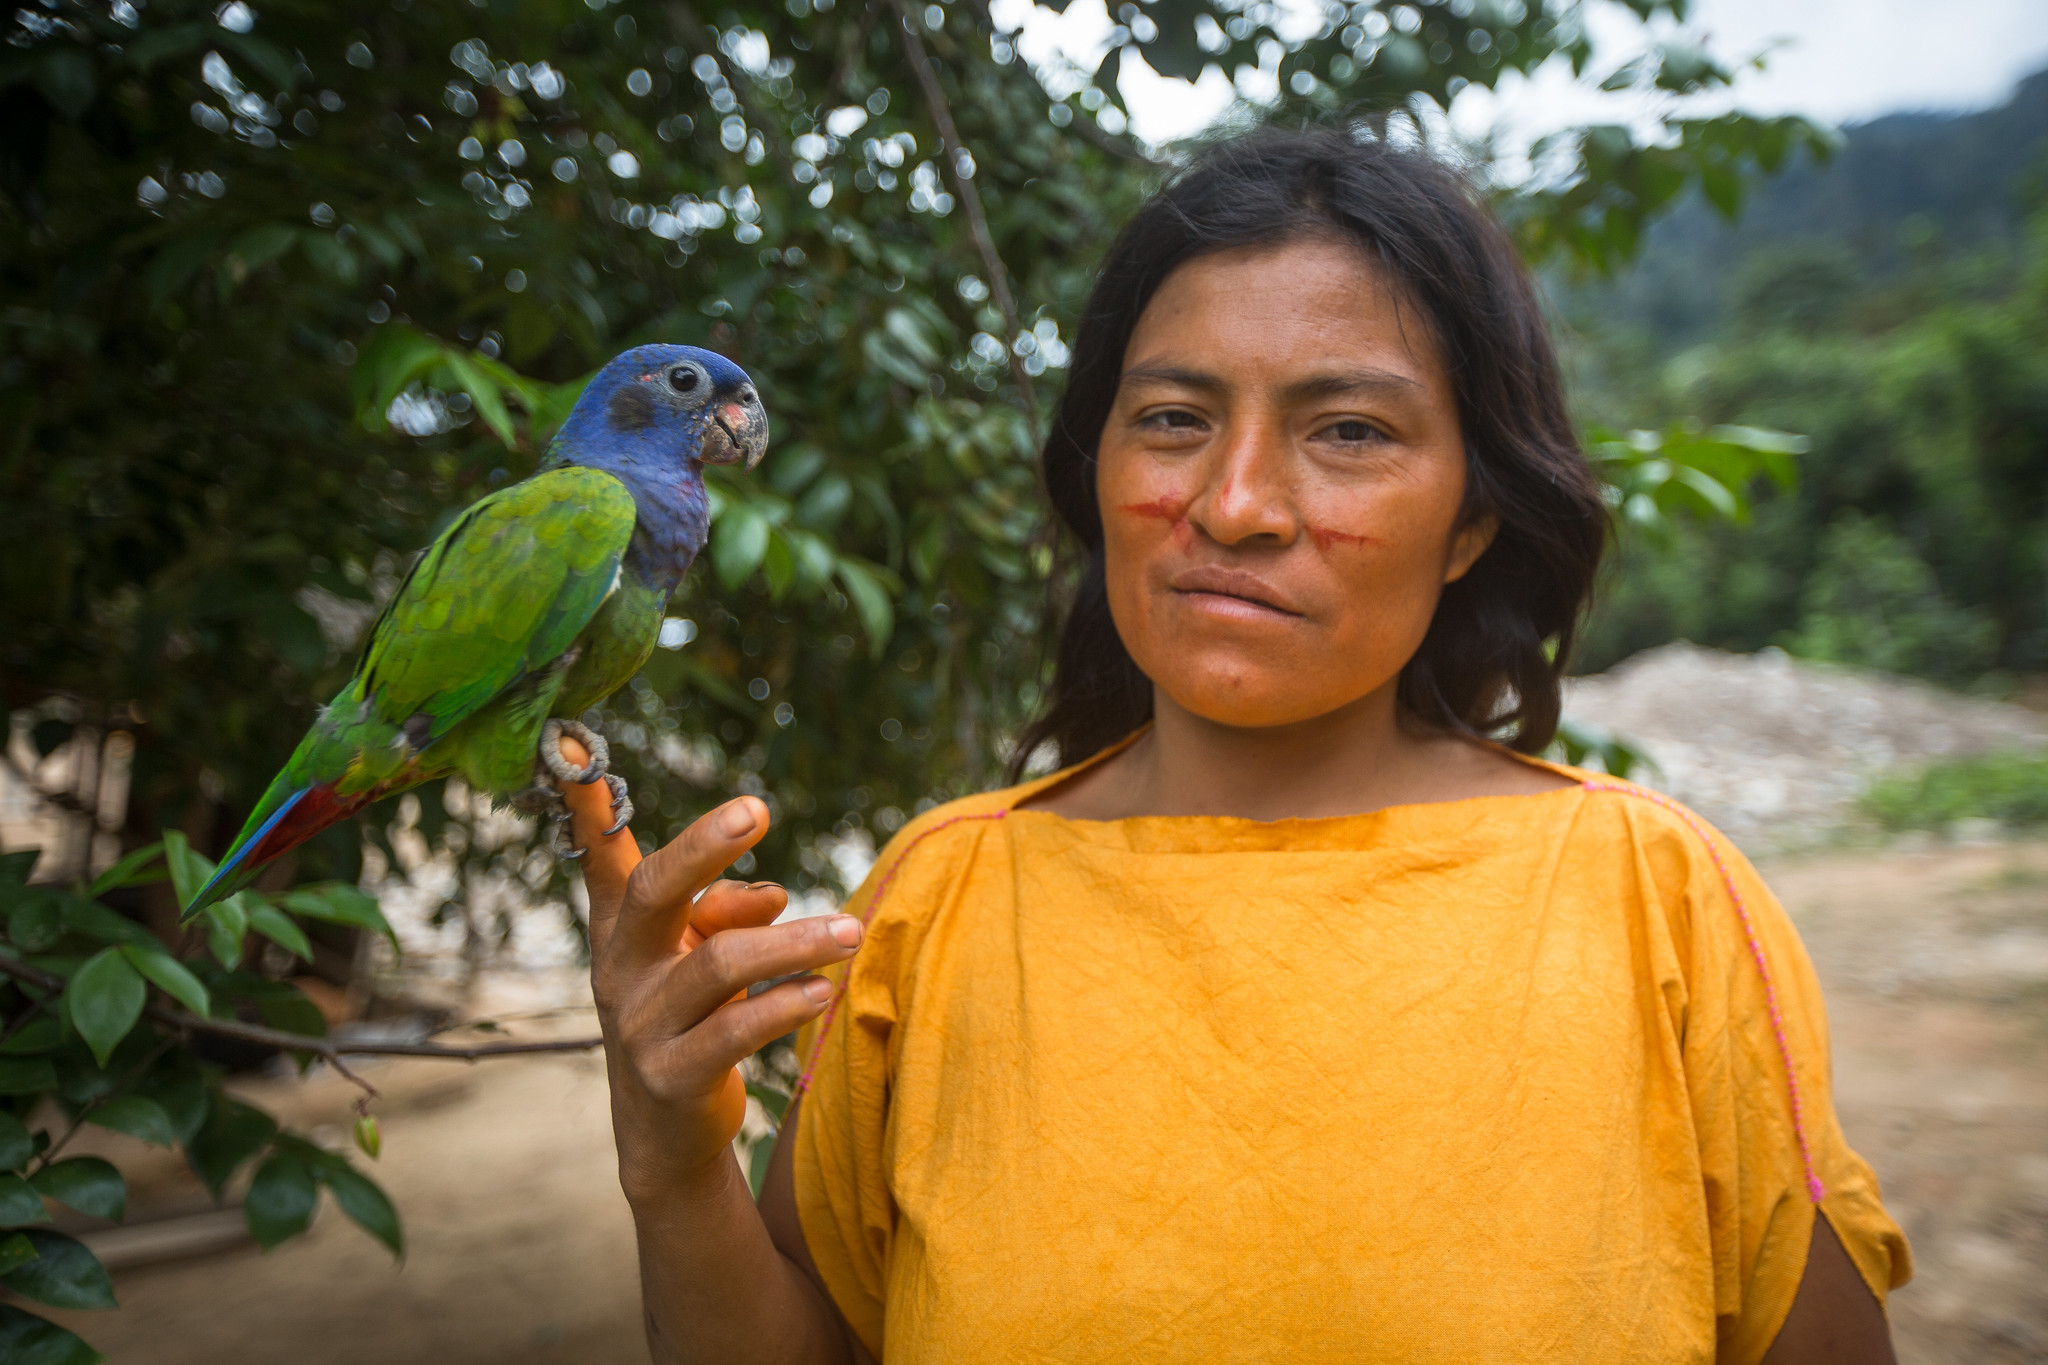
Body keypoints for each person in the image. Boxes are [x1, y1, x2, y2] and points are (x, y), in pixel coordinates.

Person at [563, 127, 1911, 1364]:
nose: (1238, 501)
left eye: (1349, 431)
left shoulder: (1658, 898)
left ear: (1473, 518)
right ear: (1099, 474)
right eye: (1173, 419)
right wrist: (676, 1167)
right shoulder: (939, 903)